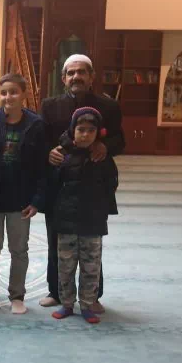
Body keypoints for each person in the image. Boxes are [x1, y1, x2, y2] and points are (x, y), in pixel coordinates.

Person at [39, 54, 125, 312]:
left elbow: (120, 140)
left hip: (94, 183)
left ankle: (93, 296)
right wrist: (48, 152)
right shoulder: (50, 106)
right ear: (63, 78)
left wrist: (104, 146)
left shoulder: (108, 106)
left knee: (92, 245)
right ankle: (56, 292)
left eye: (82, 72)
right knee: (57, 240)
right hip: (61, 184)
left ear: (91, 77)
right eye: (71, 73)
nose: (76, 77)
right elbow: (42, 140)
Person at [0, 73, 46, 315]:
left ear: (23, 94)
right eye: (3, 92)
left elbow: (42, 167)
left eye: (13, 92)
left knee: (19, 250)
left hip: (21, 201)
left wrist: (36, 201)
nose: (8, 97)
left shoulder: (35, 125)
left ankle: (17, 295)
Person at [50, 107, 118, 324]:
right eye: (81, 129)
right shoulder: (62, 156)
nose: (86, 134)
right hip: (66, 222)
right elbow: (53, 184)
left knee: (91, 267)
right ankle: (67, 303)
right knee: (66, 266)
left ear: (98, 133)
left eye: (91, 130)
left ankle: (87, 304)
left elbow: (111, 185)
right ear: (73, 130)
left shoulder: (103, 158)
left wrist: (99, 206)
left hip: (93, 222)